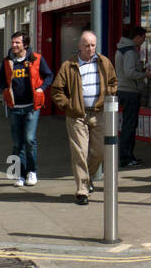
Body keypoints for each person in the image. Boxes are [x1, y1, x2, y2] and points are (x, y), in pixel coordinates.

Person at [50, 30, 119, 205]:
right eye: (86, 45)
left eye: (93, 45)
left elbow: (113, 82)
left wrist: (107, 95)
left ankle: (87, 180)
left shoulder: (104, 62)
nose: (90, 48)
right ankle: (82, 190)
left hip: (99, 113)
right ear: (79, 46)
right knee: (80, 152)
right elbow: (57, 90)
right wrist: (68, 106)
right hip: (77, 116)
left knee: (100, 152)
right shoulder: (69, 65)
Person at [0, 32, 53, 188]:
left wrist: (42, 88)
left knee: (29, 139)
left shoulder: (36, 59)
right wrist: (4, 90)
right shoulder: (7, 61)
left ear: (25, 45)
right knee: (17, 143)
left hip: (31, 107)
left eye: (17, 43)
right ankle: (20, 175)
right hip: (14, 107)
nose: (14, 45)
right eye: (13, 42)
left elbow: (49, 75)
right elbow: (1, 79)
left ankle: (32, 171)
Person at [114, 26, 151, 168]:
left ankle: (129, 156)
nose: (143, 42)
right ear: (137, 37)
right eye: (143, 38)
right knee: (129, 126)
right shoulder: (129, 51)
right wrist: (144, 75)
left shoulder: (122, 48)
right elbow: (129, 73)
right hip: (130, 91)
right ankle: (126, 158)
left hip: (123, 90)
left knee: (128, 125)